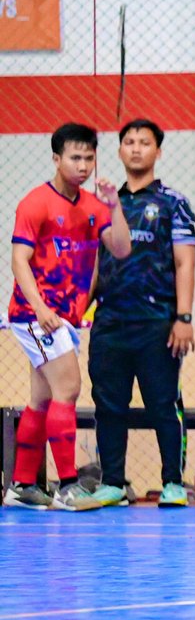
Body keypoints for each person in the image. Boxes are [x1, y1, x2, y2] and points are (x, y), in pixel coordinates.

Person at [4, 123, 132, 510]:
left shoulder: (94, 206)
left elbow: (121, 248)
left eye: (89, 158)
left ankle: (22, 486)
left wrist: (114, 204)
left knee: (42, 399)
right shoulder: (35, 203)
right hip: (35, 315)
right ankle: (68, 486)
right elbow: (19, 260)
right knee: (69, 388)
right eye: (75, 157)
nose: (83, 165)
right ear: (56, 159)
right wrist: (41, 309)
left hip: (65, 318)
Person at [79, 119, 195, 509]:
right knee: (109, 405)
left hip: (157, 322)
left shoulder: (174, 203)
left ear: (157, 152)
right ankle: (113, 483)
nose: (135, 148)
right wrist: (76, 311)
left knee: (163, 405)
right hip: (109, 322)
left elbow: (184, 262)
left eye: (144, 142)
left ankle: (173, 483)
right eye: (128, 142)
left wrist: (183, 318)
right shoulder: (101, 204)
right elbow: (93, 264)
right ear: (119, 151)